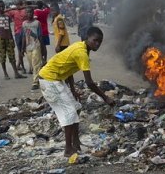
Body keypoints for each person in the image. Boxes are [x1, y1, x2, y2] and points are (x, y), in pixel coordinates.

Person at [38, 26, 115, 157]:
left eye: (100, 42)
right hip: (49, 79)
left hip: (56, 79)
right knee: (70, 112)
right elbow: (89, 83)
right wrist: (105, 97)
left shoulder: (83, 47)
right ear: (87, 38)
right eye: (95, 40)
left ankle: (76, 141)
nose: (97, 44)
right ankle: (68, 149)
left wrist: (72, 90)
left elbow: (68, 67)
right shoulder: (82, 53)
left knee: (76, 107)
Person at [0, 0, 26, 80]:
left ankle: (16, 73)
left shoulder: (7, 16)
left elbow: (8, 28)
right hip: (0, 38)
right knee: (3, 56)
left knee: (12, 55)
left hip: (8, 37)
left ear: (4, 6)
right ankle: (5, 73)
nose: (1, 8)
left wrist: (12, 38)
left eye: (2, 6)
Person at [22, 7, 44, 91]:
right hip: (28, 47)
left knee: (36, 64)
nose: (29, 14)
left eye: (31, 12)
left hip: (36, 46)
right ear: (25, 14)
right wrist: (22, 48)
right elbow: (24, 36)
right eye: (27, 12)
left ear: (33, 13)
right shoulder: (24, 24)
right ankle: (40, 76)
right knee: (32, 64)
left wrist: (42, 47)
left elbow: (40, 36)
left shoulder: (37, 23)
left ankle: (35, 82)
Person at [6, 0, 28, 73]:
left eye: (19, 4)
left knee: (26, 49)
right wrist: (11, 9)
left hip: (26, 32)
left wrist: (23, 7)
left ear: (21, 4)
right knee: (20, 51)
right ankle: (22, 67)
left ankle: (21, 66)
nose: (17, 6)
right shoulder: (13, 11)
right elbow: (3, 12)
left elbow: (35, 7)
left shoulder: (25, 10)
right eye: (16, 5)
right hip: (17, 32)